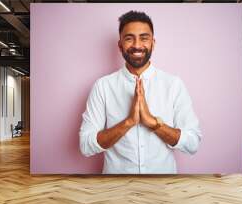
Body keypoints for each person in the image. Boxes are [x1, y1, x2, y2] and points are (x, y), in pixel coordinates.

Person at [79, 10, 202, 174]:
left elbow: (192, 143)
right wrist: (128, 122)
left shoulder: (173, 85)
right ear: (120, 45)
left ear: (153, 43)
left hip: (163, 189)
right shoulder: (103, 86)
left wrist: (153, 123)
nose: (137, 45)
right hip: (116, 190)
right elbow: (86, 145)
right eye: (129, 38)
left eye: (144, 38)